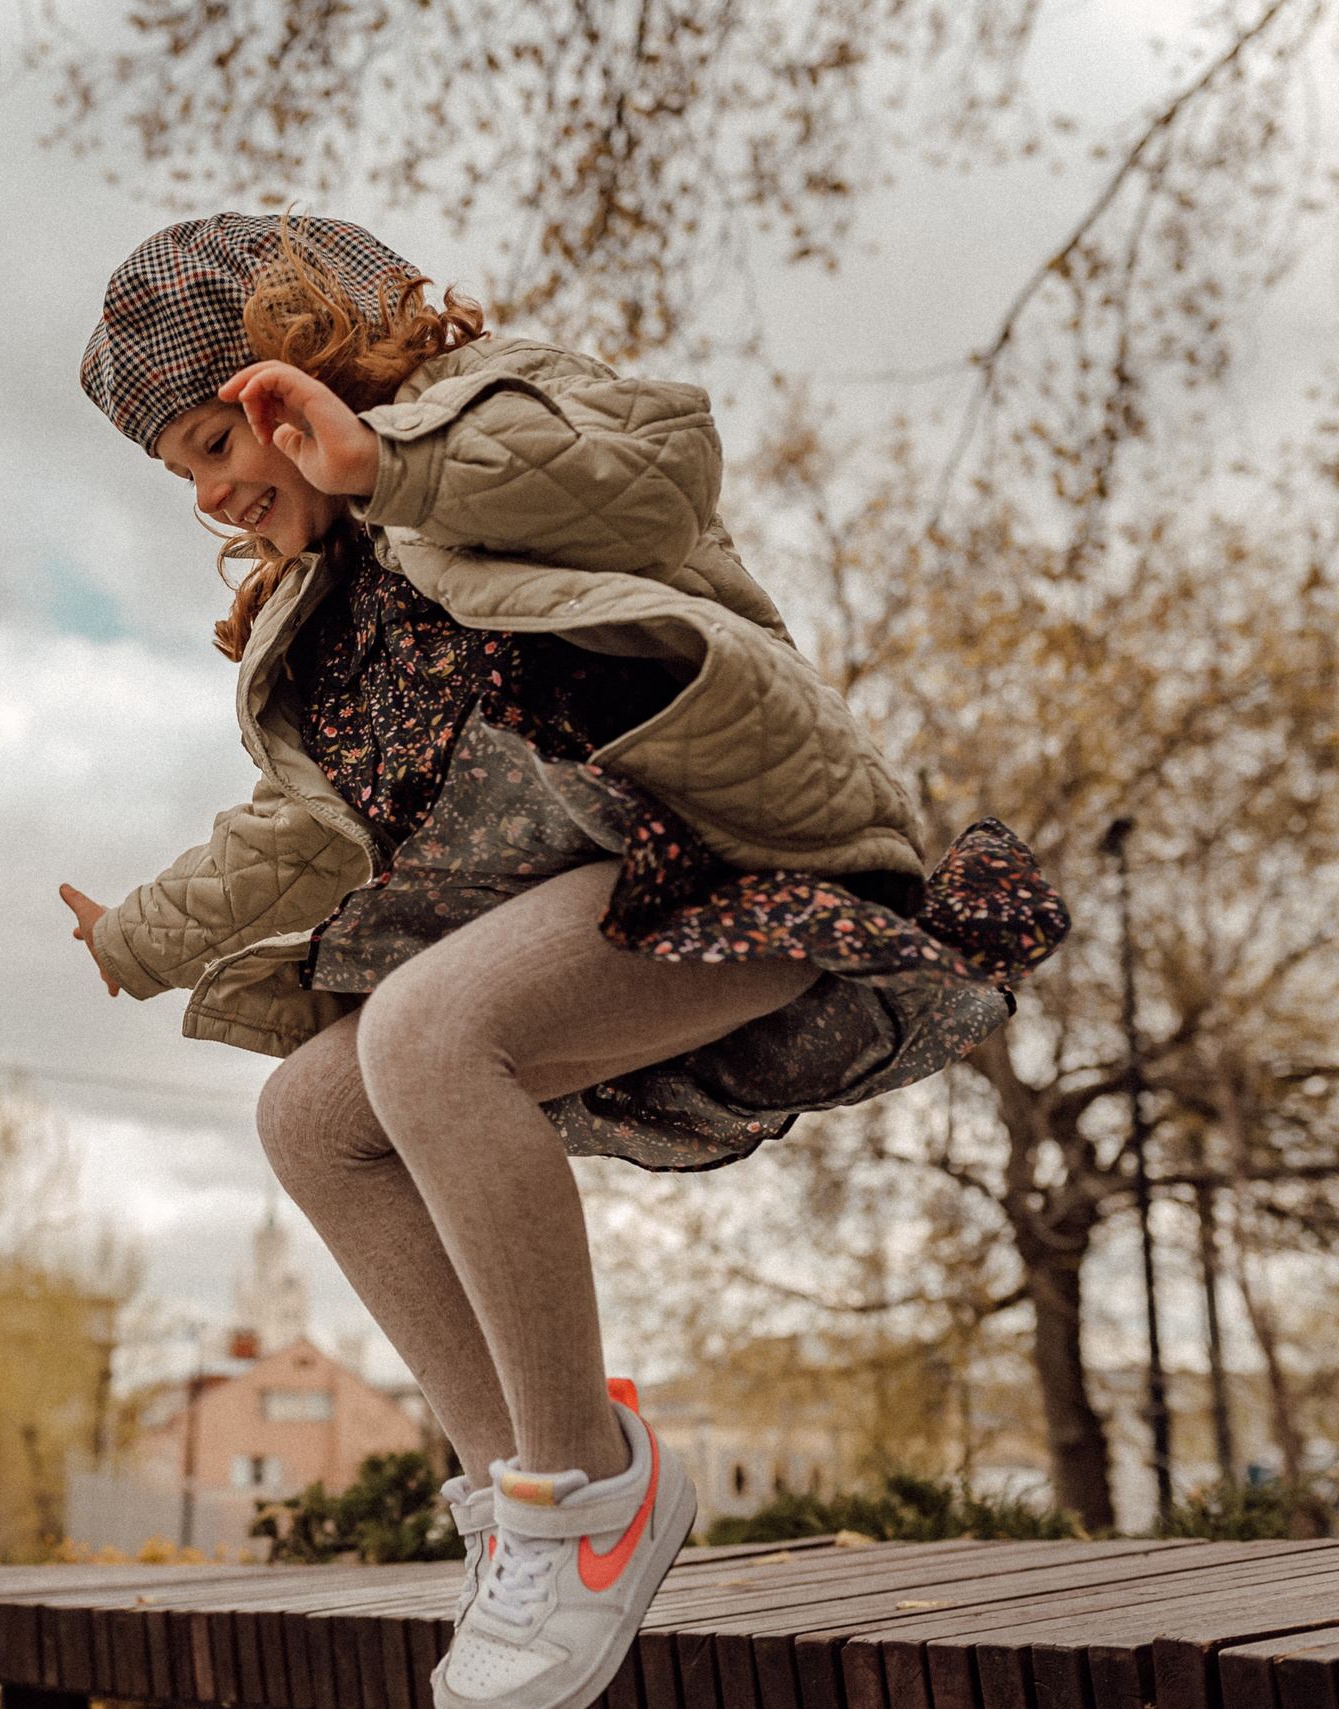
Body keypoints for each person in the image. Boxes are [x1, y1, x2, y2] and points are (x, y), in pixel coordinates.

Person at [63, 216, 1068, 1709]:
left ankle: (586, 1499)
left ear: (303, 370)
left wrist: (387, 467)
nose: (213, 491)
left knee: (421, 1036)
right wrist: (141, 935)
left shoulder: (490, 410)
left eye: (218, 440)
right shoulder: (309, 618)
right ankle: (524, 1511)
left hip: (734, 862)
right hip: (583, 912)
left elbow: (651, 477)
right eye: (186, 475)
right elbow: (296, 830)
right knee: (310, 1115)